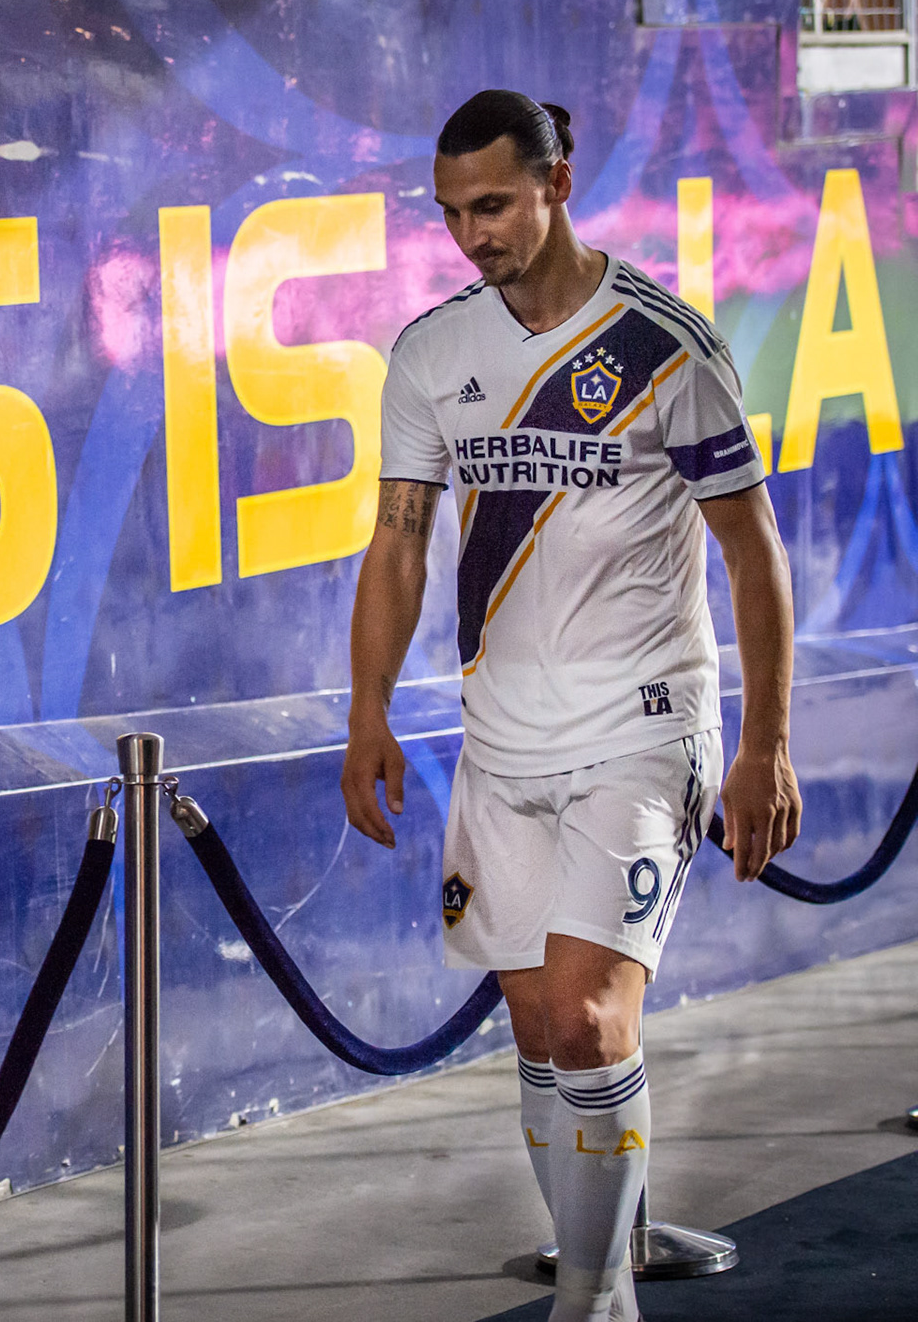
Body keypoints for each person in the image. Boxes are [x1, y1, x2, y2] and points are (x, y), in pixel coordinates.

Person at [340, 90, 801, 1322]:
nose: (471, 234)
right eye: (450, 213)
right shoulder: (434, 352)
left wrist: (765, 743)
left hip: (644, 726)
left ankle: (594, 1301)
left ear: (560, 180)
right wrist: (367, 710)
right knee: (542, 1030)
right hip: (502, 741)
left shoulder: (665, 345)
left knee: (596, 1020)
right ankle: (602, 1255)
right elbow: (397, 543)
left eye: (493, 204)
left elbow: (754, 552)